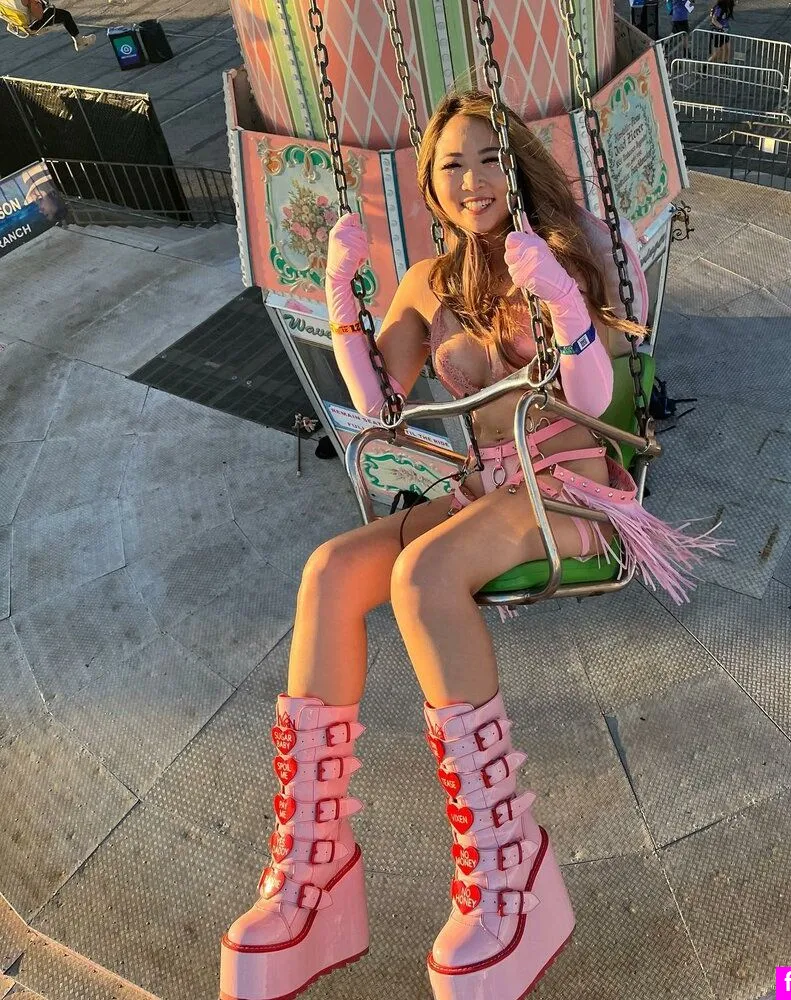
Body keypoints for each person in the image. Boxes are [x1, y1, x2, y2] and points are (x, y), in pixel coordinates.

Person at [218, 90, 722, 1000]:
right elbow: (377, 405)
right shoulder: (427, 284)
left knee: (424, 576)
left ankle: (507, 863)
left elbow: (596, 396)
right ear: (430, 184)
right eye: (451, 164)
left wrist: (562, 300)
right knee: (331, 571)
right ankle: (313, 869)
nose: (473, 180)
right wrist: (341, 299)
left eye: (490, 158)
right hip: (486, 490)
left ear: (515, 165)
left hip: (571, 488)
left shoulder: (572, 247)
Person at [22, 0, 95, 48]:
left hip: (23, 22)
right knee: (66, 16)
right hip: (35, 21)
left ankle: (79, 40)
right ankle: (80, 41)